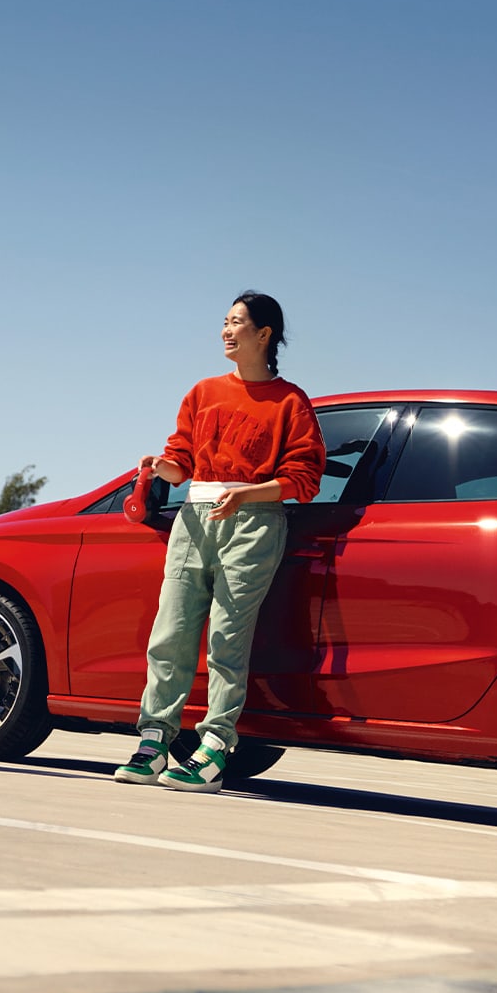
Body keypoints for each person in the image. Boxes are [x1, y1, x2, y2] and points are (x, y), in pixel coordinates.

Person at [111, 292, 325, 792]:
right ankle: (153, 743)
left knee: (227, 641)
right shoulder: (203, 392)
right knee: (171, 633)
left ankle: (212, 750)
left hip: (253, 522)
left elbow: (305, 477)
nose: (226, 331)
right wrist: (161, 468)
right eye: (224, 323)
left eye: (237, 323)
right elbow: (182, 461)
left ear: (264, 334)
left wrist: (248, 494)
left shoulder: (291, 401)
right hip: (194, 518)